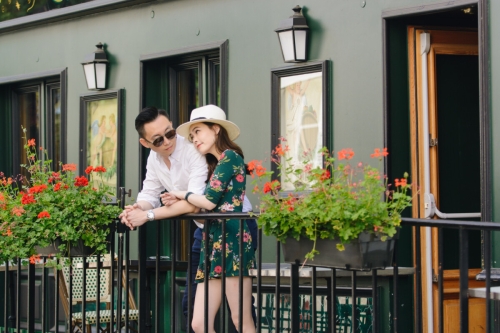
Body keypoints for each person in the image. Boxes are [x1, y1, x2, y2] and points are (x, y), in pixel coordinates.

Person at [119, 106, 257, 333]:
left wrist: (149, 214)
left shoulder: (198, 152)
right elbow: (149, 194)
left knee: (240, 315)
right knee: (195, 315)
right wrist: (136, 209)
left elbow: (198, 202)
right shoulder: (155, 159)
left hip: (234, 229)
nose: (167, 141)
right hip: (207, 231)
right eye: (157, 139)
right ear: (145, 143)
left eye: (170, 133)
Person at [164, 105, 256, 333]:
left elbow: (209, 202)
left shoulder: (230, 157)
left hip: (233, 239)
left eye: (198, 131)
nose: (194, 139)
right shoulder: (214, 165)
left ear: (216, 129)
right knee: (199, 323)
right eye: (192, 135)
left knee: (241, 320)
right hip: (212, 239)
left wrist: (181, 194)